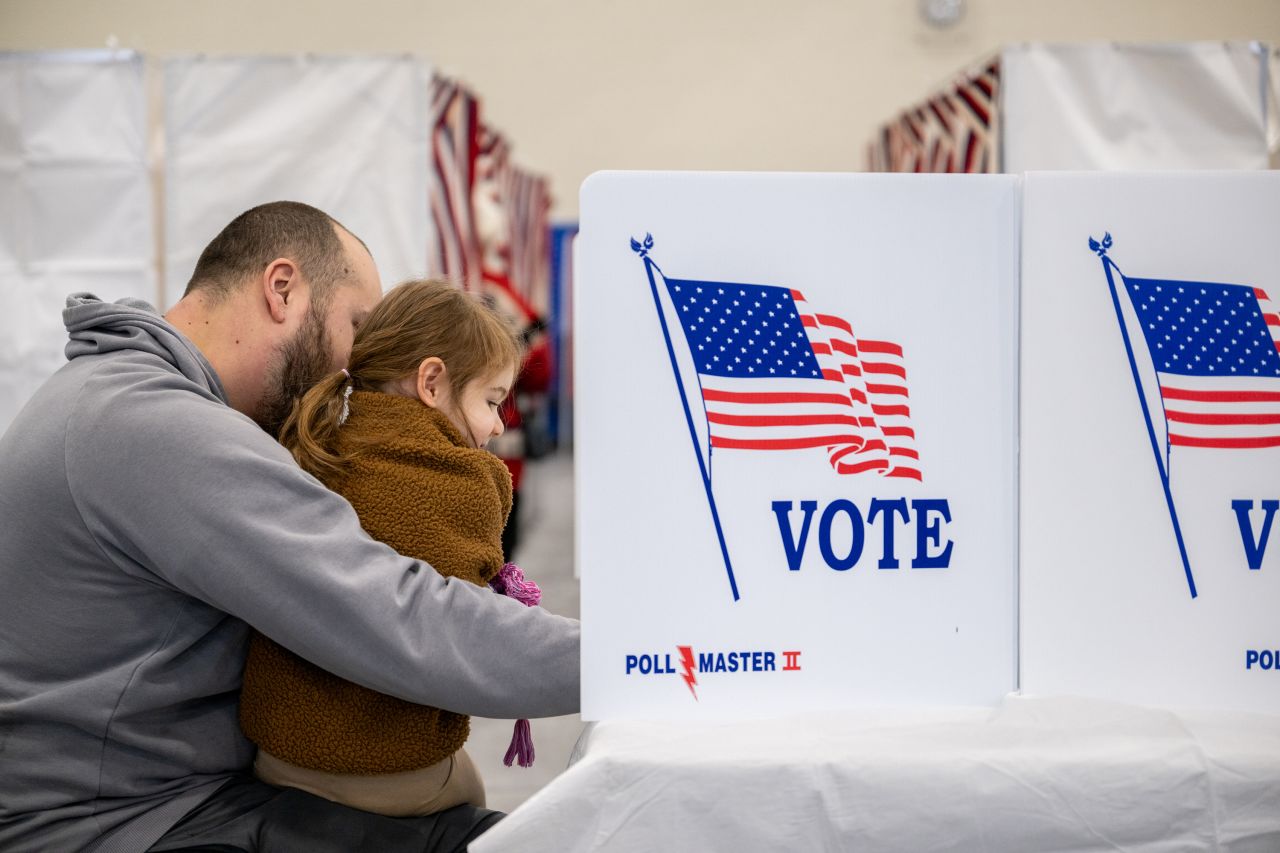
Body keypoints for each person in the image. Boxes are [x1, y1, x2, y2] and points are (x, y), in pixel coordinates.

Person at [0, 202, 580, 853]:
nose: (356, 363)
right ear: (282, 290)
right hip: (122, 825)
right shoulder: (155, 425)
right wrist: (627, 661)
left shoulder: (105, 392)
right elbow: (396, 614)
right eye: (356, 326)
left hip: (157, 798)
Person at [239, 279, 531, 817]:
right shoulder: (463, 482)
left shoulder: (312, 444)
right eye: (491, 401)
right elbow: (465, 641)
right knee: (474, 794)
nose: (496, 424)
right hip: (384, 771)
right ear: (431, 381)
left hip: (275, 754)